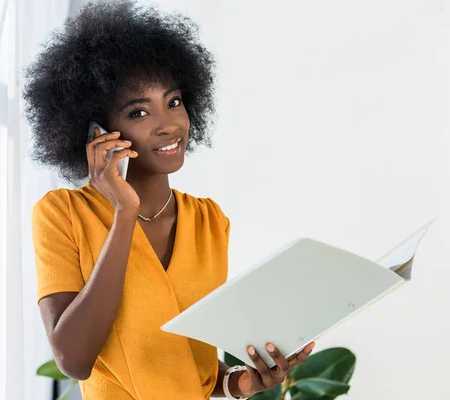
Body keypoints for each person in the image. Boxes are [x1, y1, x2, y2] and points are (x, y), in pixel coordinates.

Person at [23, 1, 315, 399]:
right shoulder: (62, 213)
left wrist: (243, 382)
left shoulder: (209, 220)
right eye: (139, 112)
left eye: (173, 102)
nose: (169, 125)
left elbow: (189, 361)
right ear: (97, 133)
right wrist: (123, 213)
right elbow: (73, 360)